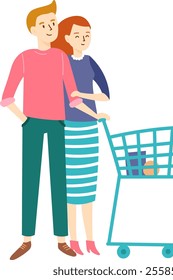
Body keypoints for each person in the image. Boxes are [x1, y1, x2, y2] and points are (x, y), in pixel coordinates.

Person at [0, 1, 108, 260]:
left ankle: (62, 239)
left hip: (60, 124)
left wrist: (95, 115)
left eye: (53, 23)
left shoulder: (62, 58)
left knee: (60, 183)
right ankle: (27, 239)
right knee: (31, 180)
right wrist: (24, 119)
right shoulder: (23, 58)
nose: (50, 28)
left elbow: (74, 98)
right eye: (44, 24)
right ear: (33, 29)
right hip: (32, 124)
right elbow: (7, 97)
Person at [51, 16, 110, 255]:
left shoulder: (90, 62)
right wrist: (94, 113)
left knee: (88, 187)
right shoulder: (61, 62)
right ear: (66, 38)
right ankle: (73, 239)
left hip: (89, 132)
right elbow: (68, 100)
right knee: (70, 188)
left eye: (87, 34)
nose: (83, 39)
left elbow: (105, 94)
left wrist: (84, 95)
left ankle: (90, 239)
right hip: (68, 128)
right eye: (78, 35)